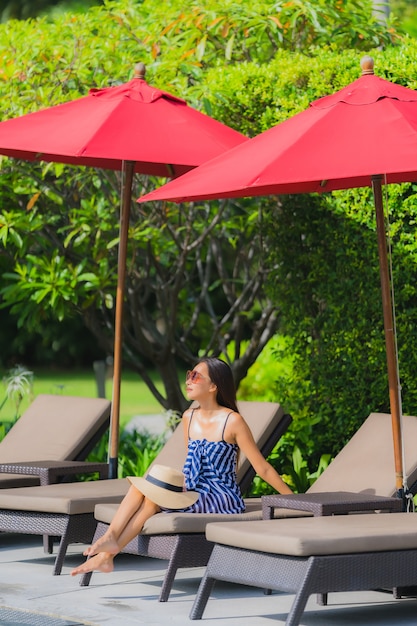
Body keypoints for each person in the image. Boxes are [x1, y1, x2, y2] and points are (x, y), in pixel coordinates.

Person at [70, 356, 292, 577]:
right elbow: (191, 462)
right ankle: (110, 541)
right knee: (141, 488)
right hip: (192, 489)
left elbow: (262, 468)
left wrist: (294, 501)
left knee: (152, 499)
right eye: (189, 375)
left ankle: (109, 552)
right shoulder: (189, 416)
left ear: (214, 386)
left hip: (221, 495)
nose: (188, 380)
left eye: (196, 376)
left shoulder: (232, 421)